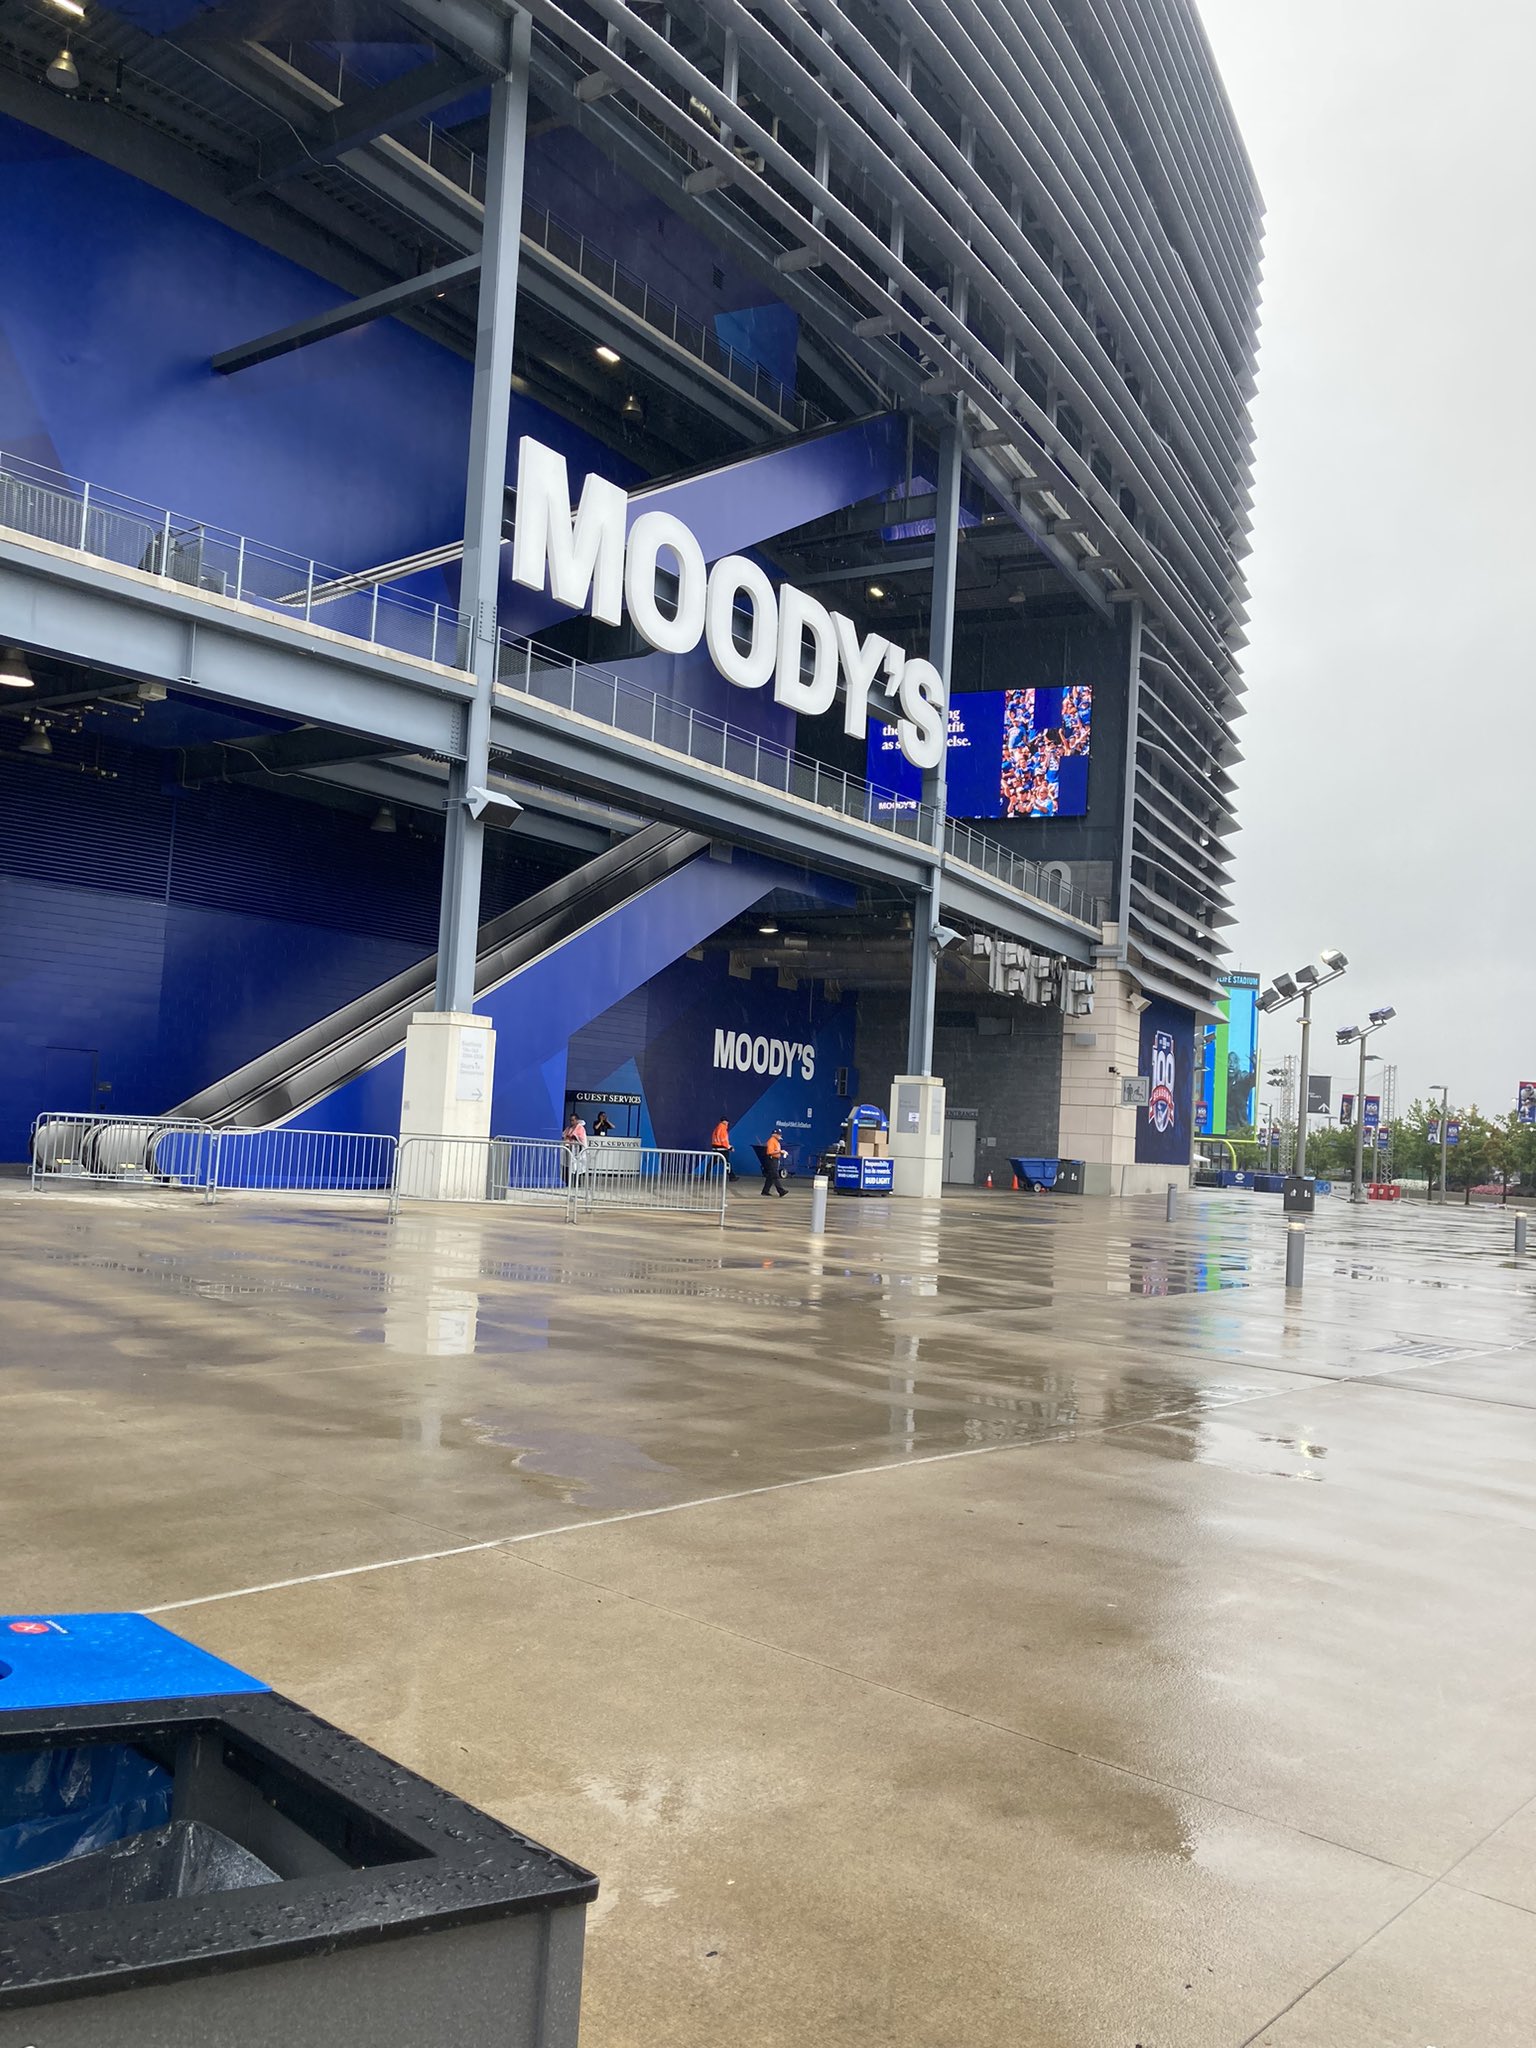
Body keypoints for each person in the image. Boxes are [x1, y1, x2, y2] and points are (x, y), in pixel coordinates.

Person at [760, 1128, 788, 1198]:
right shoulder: (771, 1141)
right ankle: (781, 1191)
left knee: (770, 1176)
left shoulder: (776, 1141)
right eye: (778, 1134)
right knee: (775, 1175)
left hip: (775, 1159)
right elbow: (769, 1152)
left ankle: (765, 1191)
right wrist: (780, 1151)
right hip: (772, 1160)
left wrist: (781, 1152)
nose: (780, 1135)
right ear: (774, 1134)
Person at [710, 1116, 737, 1181]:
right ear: (725, 1122)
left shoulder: (717, 1128)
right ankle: (732, 1176)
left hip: (715, 1147)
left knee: (712, 1163)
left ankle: (705, 1176)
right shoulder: (723, 1128)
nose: (728, 1123)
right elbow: (724, 1140)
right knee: (727, 1163)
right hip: (722, 1149)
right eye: (727, 1122)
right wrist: (730, 1147)